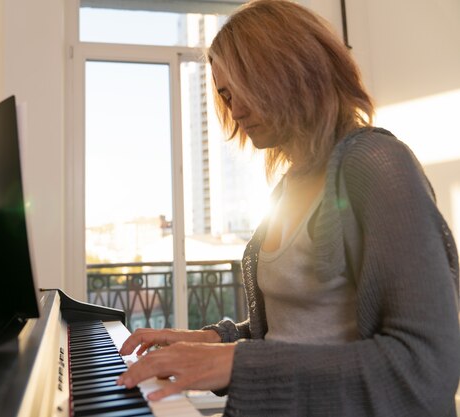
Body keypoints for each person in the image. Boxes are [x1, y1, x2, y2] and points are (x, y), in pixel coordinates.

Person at [115, 1, 460, 416]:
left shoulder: (377, 164)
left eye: (246, 87)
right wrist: (215, 342)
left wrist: (236, 363)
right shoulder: (288, 186)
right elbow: (296, 333)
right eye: (226, 94)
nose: (235, 110)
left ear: (295, 71)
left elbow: (426, 369)